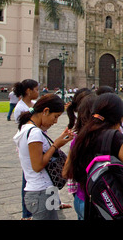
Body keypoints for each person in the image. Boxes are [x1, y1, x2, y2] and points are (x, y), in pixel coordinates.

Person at [63, 93, 123, 220]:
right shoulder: (115, 138)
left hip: (83, 201)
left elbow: (67, 172)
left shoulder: (82, 135)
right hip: (109, 204)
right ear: (119, 117)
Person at [12, 94, 74, 220]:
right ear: (45, 111)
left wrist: (59, 141)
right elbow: (37, 166)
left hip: (41, 190)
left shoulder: (28, 128)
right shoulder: (34, 133)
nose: (55, 121)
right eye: (55, 116)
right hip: (40, 192)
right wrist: (55, 145)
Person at [64, 90, 95, 220]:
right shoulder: (110, 139)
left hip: (80, 196)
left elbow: (66, 172)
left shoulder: (77, 138)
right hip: (98, 200)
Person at [12, 79, 39, 220]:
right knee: (26, 180)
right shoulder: (20, 108)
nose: (38, 92)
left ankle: (55, 202)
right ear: (29, 91)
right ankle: (26, 213)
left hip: (37, 143)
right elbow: (23, 129)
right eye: (36, 89)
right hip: (28, 146)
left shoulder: (33, 104)